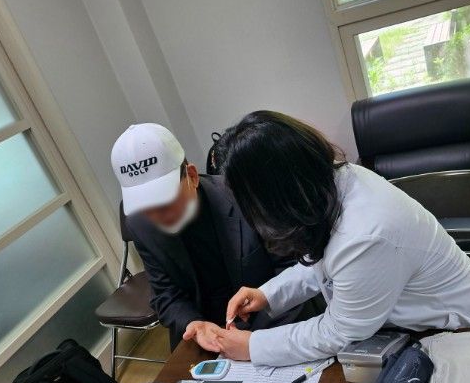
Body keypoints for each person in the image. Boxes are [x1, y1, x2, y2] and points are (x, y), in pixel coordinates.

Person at [200, 111, 470, 366]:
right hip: (411, 325)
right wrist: (268, 294)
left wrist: (253, 346)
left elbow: (338, 331)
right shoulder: (333, 181)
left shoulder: (365, 233)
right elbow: (327, 264)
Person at [110, 123, 320, 350]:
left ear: (192, 176)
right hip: (207, 338)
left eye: (165, 201)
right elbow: (165, 296)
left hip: (277, 322)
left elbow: (293, 268)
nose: (158, 216)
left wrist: (255, 344)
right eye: (146, 208)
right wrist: (194, 324)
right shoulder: (141, 225)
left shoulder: (244, 195)